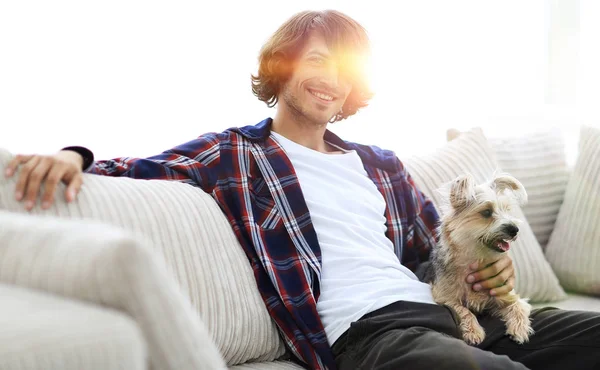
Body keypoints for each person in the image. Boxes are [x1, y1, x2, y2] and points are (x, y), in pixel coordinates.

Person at [5, 10, 600, 370]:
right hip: (372, 334)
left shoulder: (381, 165)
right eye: (318, 59)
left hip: (447, 311)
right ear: (283, 65)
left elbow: (438, 249)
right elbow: (128, 167)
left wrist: (484, 275)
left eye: (345, 71)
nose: (331, 80)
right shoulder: (237, 155)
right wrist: (69, 156)